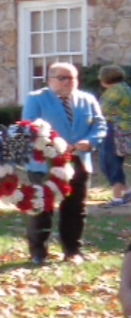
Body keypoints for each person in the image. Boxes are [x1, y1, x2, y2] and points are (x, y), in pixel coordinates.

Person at [22, 61, 107, 264]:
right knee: (42, 207)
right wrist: (55, 145)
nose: (69, 82)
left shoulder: (87, 99)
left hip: (79, 161)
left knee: (75, 208)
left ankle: (72, 250)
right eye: (63, 78)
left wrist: (90, 141)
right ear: (50, 80)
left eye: (73, 78)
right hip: (46, 163)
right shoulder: (37, 99)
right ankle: (38, 251)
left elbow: (100, 124)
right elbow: (30, 127)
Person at [98, 65, 130, 206]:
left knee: (110, 162)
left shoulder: (113, 92)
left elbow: (100, 112)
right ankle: (127, 192)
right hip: (126, 129)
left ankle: (118, 197)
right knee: (116, 162)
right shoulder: (126, 89)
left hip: (114, 129)